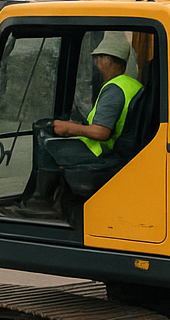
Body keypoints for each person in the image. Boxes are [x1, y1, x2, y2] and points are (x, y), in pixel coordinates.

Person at [26, 32, 144, 208]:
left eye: (98, 59)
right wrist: (77, 125)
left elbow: (102, 132)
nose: (96, 64)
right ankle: (65, 195)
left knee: (46, 140)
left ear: (106, 60)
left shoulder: (113, 90)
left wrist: (69, 129)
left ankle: (41, 200)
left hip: (103, 153)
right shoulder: (131, 84)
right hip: (118, 149)